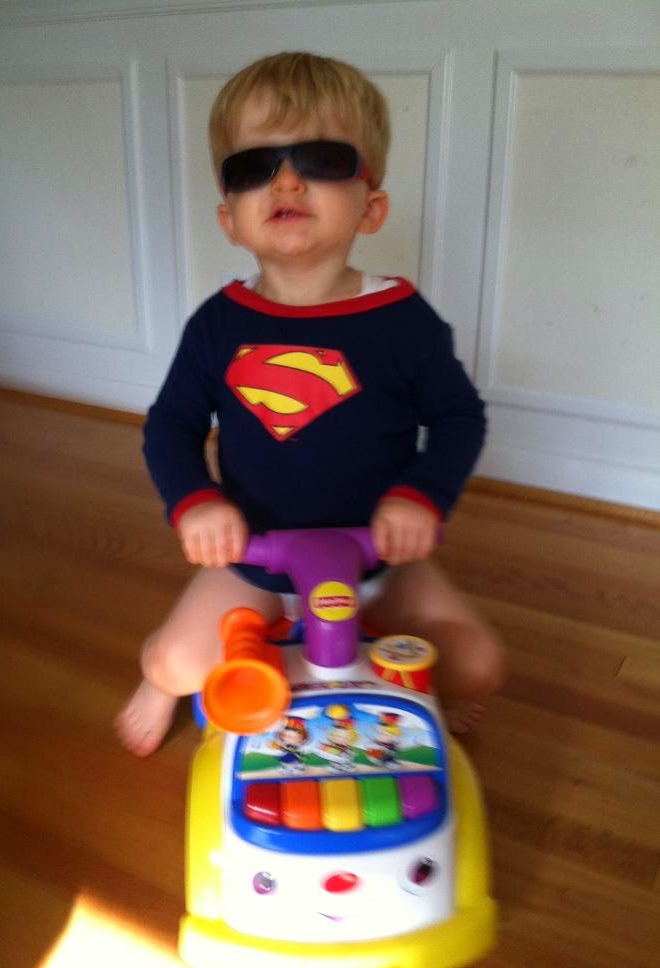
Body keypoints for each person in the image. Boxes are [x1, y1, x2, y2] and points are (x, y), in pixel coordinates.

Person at [116, 51, 504, 757]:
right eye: (254, 166)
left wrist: (421, 497)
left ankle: (399, 655)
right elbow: (171, 425)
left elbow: (458, 417)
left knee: (476, 665)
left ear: (371, 206)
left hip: (378, 560)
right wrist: (196, 503)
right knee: (174, 663)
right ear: (230, 218)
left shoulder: (402, 319)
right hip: (256, 562)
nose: (287, 180)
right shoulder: (217, 324)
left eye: (321, 160)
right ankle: (156, 679)